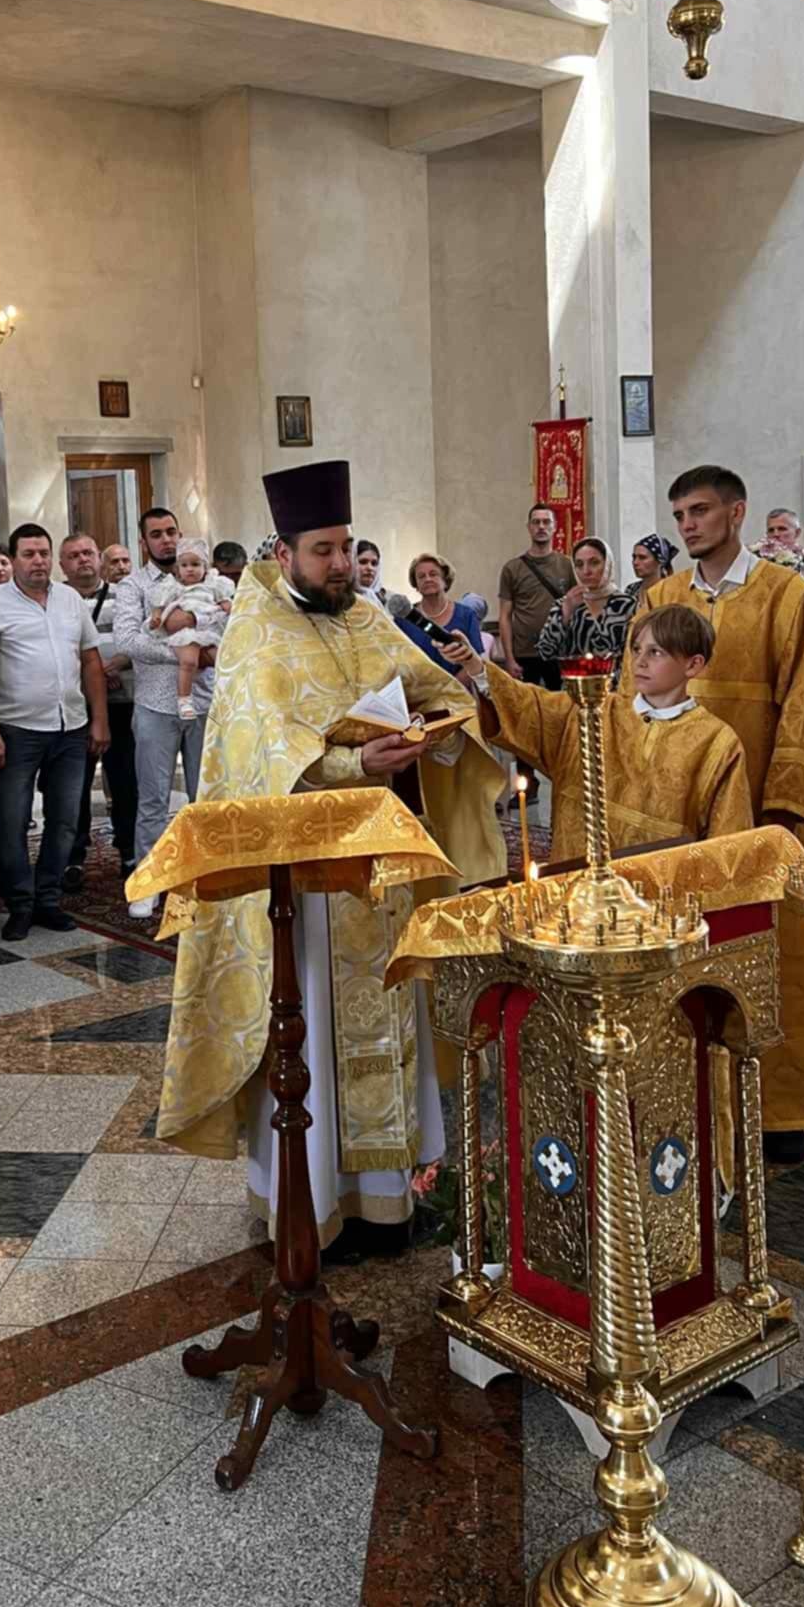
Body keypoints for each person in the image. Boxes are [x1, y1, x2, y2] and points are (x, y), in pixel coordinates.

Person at [155, 459, 506, 1254]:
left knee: (391, 1019)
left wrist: (431, 734)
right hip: (302, 886)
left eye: (347, 547)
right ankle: (310, 1203)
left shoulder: (366, 617)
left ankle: (386, 1201)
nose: (341, 563)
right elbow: (255, 754)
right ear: (285, 554)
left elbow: (438, 690)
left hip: (379, 867)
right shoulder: (256, 632)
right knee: (309, 1030)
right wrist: (353, 761)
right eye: (324, 550)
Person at [627, 464, 804, 1157]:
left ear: (736, 513)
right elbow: (635, 694)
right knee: (695, 946)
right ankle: (694, 1099)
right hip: (686, 808)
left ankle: (787, 1104)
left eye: (700, 510)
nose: (688, 524)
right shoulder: (661, 597)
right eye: (679, 514)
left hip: (773, 807)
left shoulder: (786, 594)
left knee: (783, 947)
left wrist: (783, 805)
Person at [445, 603, 752, 858]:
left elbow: (729, 842)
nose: (640, 661)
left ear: (693, 665)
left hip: (662, 891)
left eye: (656, 652)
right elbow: (530, 705)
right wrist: (475, 666)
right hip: (577, 877)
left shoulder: (716, 741)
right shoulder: (591, 710)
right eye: (636, 649)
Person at [0, 525, 109, 941]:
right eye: (29, 554)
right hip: (16, 730)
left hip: (70, 727)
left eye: (44, 553)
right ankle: (20, 904)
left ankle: (48, 899)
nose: (38, 561)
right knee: (11, 821)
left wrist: (99, 719)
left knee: (64, 819)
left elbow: (91, 661)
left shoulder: (70, 600)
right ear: (13, 560)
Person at [114, 508, 215, 920]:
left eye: (171, 531)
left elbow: (227, 621)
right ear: (144, 542)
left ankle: (206, 879)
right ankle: (150, 882)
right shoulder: (133, 585)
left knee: (204, 796)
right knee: (153, 799)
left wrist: (199, 625)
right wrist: (184, 654)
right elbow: (127, 639)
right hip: (155, 704)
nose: (166, 540)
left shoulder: (206, 577)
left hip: (204, 700)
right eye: (156, 534)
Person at [57, 533, 137, 887]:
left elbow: (143, 638)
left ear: (99, 559)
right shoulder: (55, 600)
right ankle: (73, 856)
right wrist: (91, 675)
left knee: (125, 780)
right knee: (74, 783)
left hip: (123, 702)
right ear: (63, 565)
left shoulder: (126, 596)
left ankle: (130, 851)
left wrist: (116, 664)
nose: (83, 560)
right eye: (74, 555)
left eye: (88, 553)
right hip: (76, 705)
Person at [149, 538, 235, 720]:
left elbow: (226, 603)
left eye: (195, 564)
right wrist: (156, 617)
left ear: (205, 567)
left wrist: (229, 607)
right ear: (177, 569)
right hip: (185, 634)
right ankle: (184, 699)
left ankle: (227, 697)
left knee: (224, 660)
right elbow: (160, 605)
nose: (190, 569)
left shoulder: (213, 585)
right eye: (184, 565)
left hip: (209, 633)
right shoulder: (173, 587)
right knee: (189, 661)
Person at [498, 506, 574, 687]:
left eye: (546, 522)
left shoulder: (568, 565)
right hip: (524, 653)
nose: (541, 527)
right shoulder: (512, 568)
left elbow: (577, 609)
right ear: (529, 527)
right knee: (526, 703)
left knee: (560, 703)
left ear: (555, 527)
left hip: (559, 652)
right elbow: (505, 616)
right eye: (536, 522)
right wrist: (509, 658)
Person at [536, 538, 637, 673]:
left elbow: (638, 652)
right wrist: (565, 614)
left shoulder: (627, 604)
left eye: (594, 563)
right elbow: (545, 652)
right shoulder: (564, 604)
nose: (586, 571)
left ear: (607, 564)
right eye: (579, 564)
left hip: (618, 683)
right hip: (575, 682)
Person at [400, 554, 483, 670]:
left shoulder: (467, 615)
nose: (427, 579)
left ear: (445, 580)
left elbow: (476, 659)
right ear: (416, 585)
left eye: (433, 574)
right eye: (421, 576)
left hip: (461, 681)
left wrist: (450, 682)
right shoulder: (405, 618)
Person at [629, 533, 678, 605]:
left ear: (660, 561)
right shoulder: (631, 589)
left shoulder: (672, 591)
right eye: (634, 557)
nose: (635, 562)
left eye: (642, 558)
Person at [355, 539, 388, 609]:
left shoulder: (384, 600)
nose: (370, 568)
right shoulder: (340, 599)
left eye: (374, 563)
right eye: (363, 562)